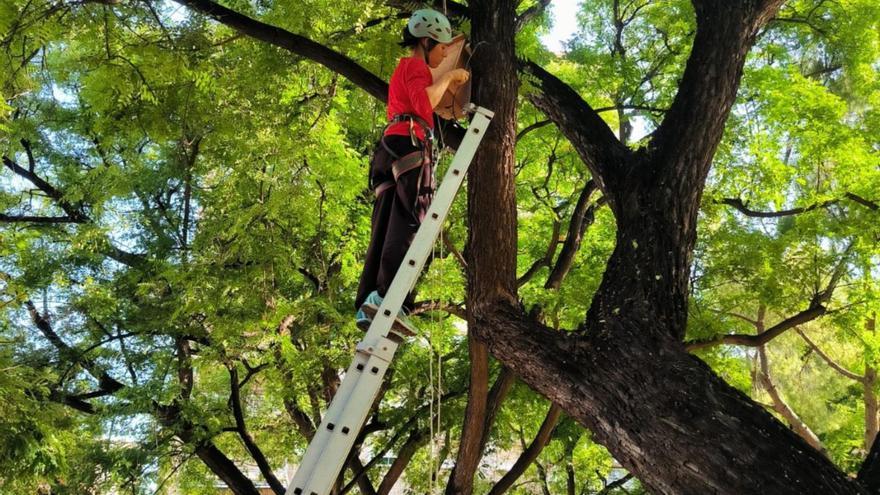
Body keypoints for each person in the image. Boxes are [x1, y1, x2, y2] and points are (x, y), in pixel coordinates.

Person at [355, 8, 470, 329]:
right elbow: (424, 103)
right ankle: (388, 297)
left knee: (385, 225)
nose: (446, 52)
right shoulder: (417, 68)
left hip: (389, 149)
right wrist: (449, 77)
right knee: (411, 220)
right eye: (442, 46)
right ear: (426, 41)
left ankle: (368, 300)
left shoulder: (402, 70)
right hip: (409, 144)